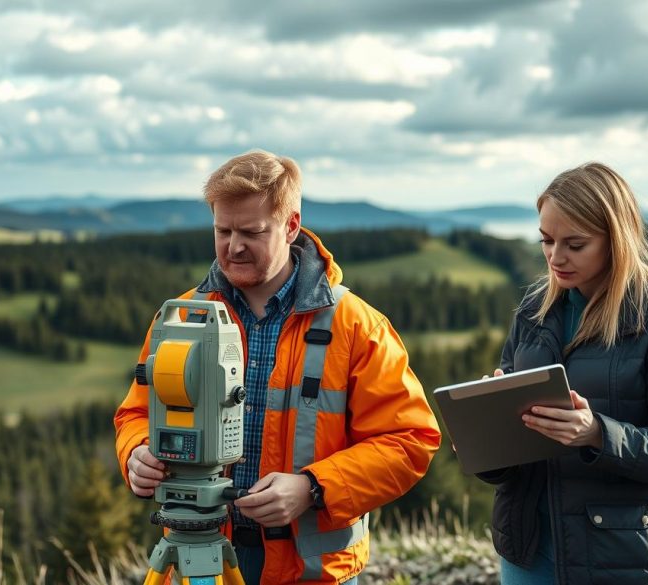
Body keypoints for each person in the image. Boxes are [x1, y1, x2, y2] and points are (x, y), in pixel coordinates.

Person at [114, 150, 441, 584]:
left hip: (309, 572)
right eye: (222, 230)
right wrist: (136, 452)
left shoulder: (356, 326)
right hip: (199, 554)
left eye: (251, 231)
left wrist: (313, 488)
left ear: (291, 225)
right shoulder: (181, 317)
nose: (233, 246)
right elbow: (136, 413)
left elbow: (409, 440)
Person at [479, 162, 648, 584]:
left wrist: (596, 434)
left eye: (575, 244)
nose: (555, 257)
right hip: (528, 552)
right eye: (546, 240)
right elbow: (511, 460)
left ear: (616, 240)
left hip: (619, 556)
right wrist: (488, 432)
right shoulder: (535, 310)